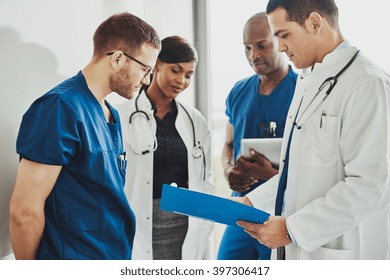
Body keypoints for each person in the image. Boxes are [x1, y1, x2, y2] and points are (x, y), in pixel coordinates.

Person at [237, 0, 390, 260]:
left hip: (341, 252)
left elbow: (371, 187)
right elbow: (295, 172)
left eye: (284, 35)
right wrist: (251, 202)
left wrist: (292, 230)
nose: (281, 46)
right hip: (299, 250)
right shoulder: (309, 80)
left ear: (315, 23)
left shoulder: (368, 84)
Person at [8, 12, 161, 260]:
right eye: (145, 69)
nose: (147, 80)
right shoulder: (59, 107)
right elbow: (24, 212)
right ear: (119, 59)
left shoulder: (110, 113)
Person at [115, 36, 214, 260]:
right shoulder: (120, 115)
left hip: (184, 228)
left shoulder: (195, 120)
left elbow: (205, 181)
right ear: (157, 64)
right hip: (138, 226)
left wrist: (204, 229)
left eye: (188, 75)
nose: (182, 81)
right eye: (175, 70)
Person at [217, 12, 297, 260]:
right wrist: (229, 170)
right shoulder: (239, 91)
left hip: (279, 212)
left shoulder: (302, 92)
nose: (254, 55)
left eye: (262, 46)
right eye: (247, 48)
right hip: (241, 207)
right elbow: (228, 145)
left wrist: (270, 175)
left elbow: (310, 168)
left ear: (279, 42)